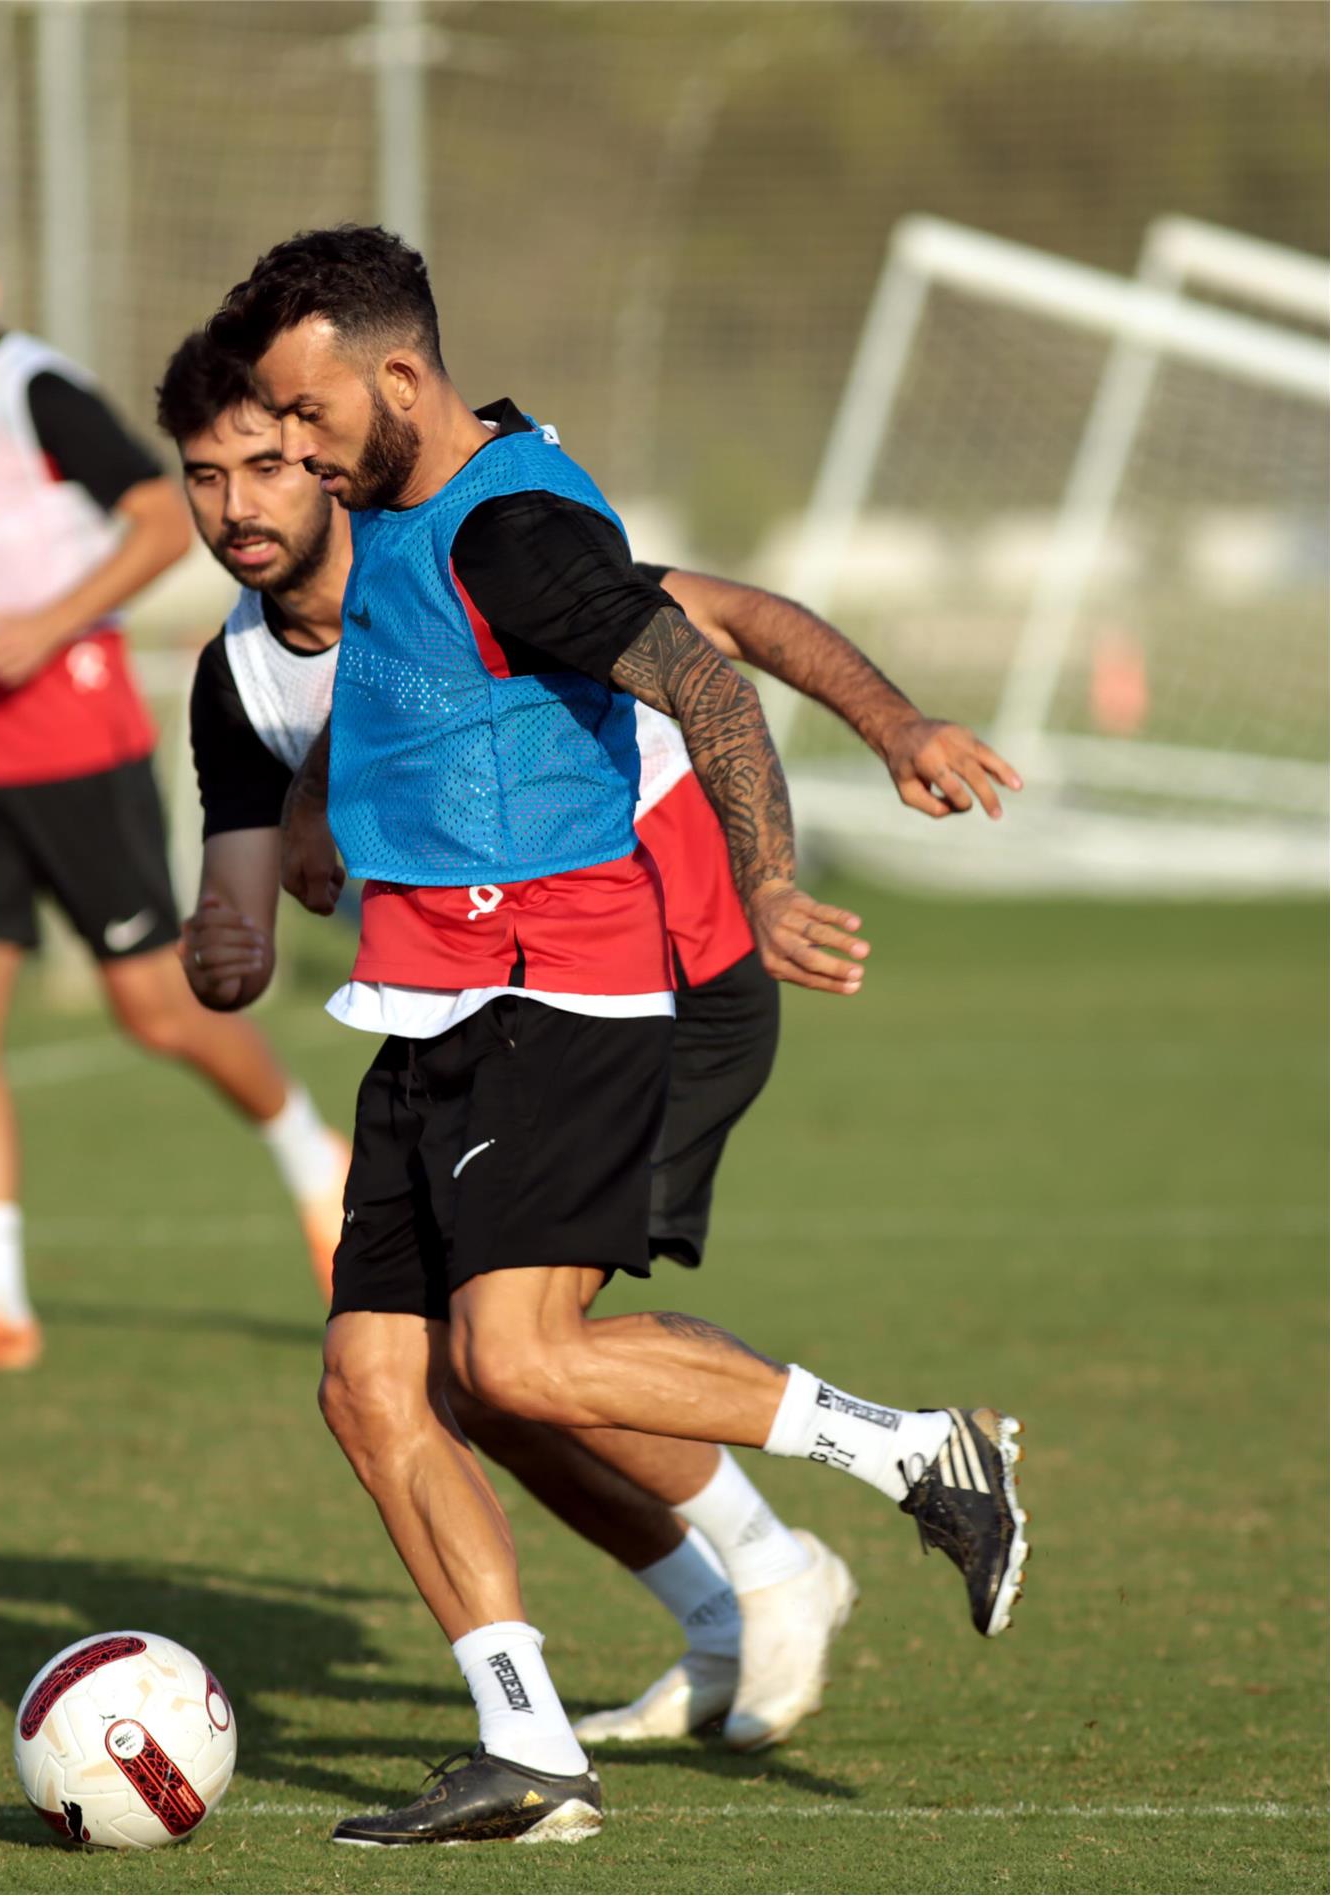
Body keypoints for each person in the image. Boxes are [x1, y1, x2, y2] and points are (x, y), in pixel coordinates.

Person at [204, 226, 1031, 1848]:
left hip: (556, 982)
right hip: (425, 994)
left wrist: (778, 881)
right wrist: (307, 807)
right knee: (377, 1382)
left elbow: (712, 687)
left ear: (395, 379)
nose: (287, 458)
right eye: (257, 437)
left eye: (303, 420)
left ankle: (923, 1449)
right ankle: (529, 1752)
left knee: (515, 1359)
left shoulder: (514, 530)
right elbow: (392, 684)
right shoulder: (394, 516)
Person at [0, 195, 346, 1378]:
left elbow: (156, 520)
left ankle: (312, 1159)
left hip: (73, 737)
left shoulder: (38, 392)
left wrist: (52, 620)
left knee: (155, 1008)